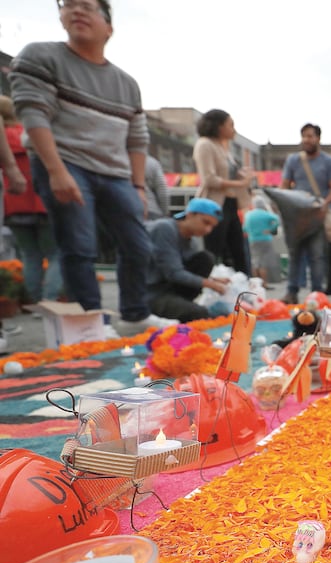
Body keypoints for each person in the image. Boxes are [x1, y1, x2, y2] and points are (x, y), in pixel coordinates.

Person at [11, 0, 172, 337]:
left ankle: (135, 314)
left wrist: (139, 187)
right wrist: (56, 171)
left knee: (138, 243)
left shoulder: (126, 83)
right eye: (69, 5)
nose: (77, 11)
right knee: (79, 246)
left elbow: (137, 140)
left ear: (109, 27)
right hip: (65, 162)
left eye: (87, 6)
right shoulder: (40, 56)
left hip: (116, 174)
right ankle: (90, 321)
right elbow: (33, 113)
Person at [2, 95, 61, 303]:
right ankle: (50, 301)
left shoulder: (4, 140)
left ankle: (33, 301)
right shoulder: (30, 134)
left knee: (29, 255)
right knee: (55, 254)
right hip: (42, 202)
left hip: (14, 204)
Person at [280, 123, 331, 303]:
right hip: (296, 216)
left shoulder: (329, 162)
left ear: (318, 138)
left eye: (310, 136)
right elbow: (285, 185)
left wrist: (324, 205)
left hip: (317, 215)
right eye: (304, 136)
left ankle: (317, 293)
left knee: (317, 255)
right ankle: (292, 291)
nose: (307, 139)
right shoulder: (293, 160)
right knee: (294, 254)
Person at [146, 198, 228, 323]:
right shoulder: (164, 229)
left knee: (205, 258)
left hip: (169, 289)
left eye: (212, 226)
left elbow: (182, 269)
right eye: (205, 223)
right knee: (200, 314)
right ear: (190, 214)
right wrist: (209, 284)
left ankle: (181, 304)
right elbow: (173, 273)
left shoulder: (192, 240)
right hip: (151, 293)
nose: (208, 230)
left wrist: (213, 280)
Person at [193, 108, 253, 277]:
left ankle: (243, 290)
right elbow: (209, 179)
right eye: (230, 125)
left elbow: (227, 173)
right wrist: (240, 182)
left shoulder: (225, 148)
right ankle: (205, 287)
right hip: (214, 204)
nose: (234, 129)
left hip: (231, 203)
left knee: (238, 252)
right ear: (219, 126)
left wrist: (241, 175)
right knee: (214, 250)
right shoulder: (205, 144)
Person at [242, 195, 280, 286]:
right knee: (263, 262)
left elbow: (244, 228)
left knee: (255, 261)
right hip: (265, 239)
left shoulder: (248, 214)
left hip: (252, 239)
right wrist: (271, 229)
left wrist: (251, 232)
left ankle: (255, 284)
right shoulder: (265, 214)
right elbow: (277, 219)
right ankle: (264, 283)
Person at [143, 153, 169, 221]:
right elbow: (162, 191)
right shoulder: (151, 162)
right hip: (152, 211)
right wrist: (164, 213)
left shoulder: (117, 161)